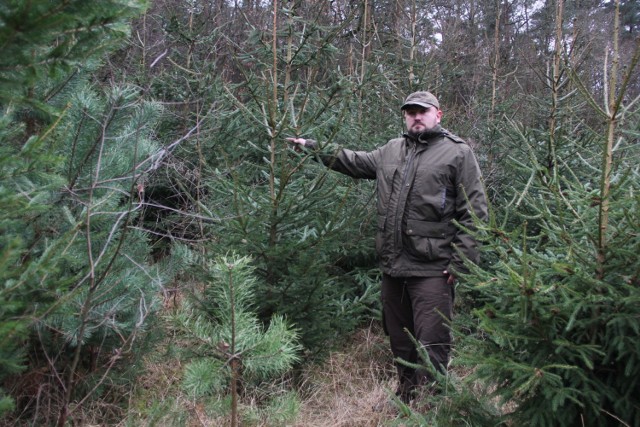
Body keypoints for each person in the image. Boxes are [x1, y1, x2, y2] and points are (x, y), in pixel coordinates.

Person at [287, 91, 488, 404]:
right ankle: (407, 400)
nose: (416, 117)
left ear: (439, 114)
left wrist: (462, 262)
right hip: (393, 266)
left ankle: (431, 406)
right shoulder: (392, 149)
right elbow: (352, 160)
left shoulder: (457, 153)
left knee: (432, 341)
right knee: (400, 340)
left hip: (433, 268)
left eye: (423, 111)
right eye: (410, 112)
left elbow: (474, 210)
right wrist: (312, 148)